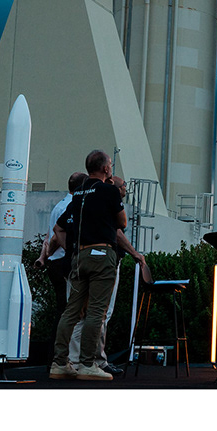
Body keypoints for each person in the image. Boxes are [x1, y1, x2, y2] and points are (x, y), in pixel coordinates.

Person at [49, 150, 147, 382]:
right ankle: (87, 364)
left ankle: (60, 363)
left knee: (72, 310)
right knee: (97, 311)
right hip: (102, 254)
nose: (111, 168)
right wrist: (112, 192)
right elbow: (121, 222)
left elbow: (59, 228)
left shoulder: (79, 193)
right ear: (105, 169)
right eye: (110, 165)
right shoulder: (109, 191)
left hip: (78, 257)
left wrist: (72, 251)